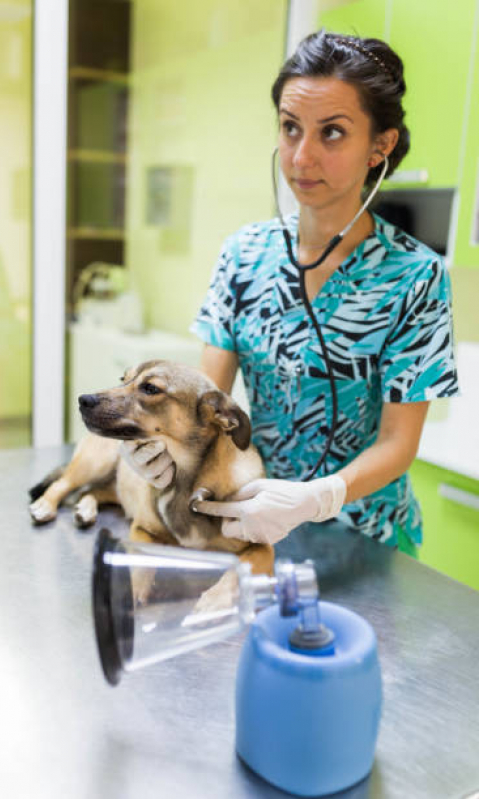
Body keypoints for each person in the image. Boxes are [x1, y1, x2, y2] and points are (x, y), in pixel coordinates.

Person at [123, 30, 459, 558]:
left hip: (365, 534)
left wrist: (321, 497)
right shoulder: (243, 254)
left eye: (332, 133)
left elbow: (398, 443)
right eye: (290, 127)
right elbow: (209, 400)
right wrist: (155, 444)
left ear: (381, 145)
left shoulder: (416, 276)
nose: (301, 156)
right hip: (248, 520)